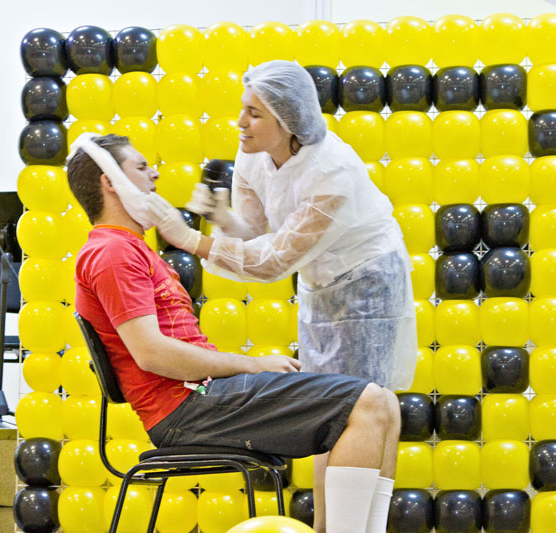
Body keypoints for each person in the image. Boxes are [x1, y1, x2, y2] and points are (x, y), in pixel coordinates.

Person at [67, 134, 401, 533]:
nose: (154, 173)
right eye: (141, 167)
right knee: (367, 403)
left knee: (386, 405)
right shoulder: (112, 252)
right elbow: (152, 354)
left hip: (201, 397)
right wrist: (254, 364)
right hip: (185, 409)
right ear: (110, 182)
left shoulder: (131, 248)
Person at [154, 60, 418, 532]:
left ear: (288, 120)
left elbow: (273, 261)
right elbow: (256, 232)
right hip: (319, 283)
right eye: (243, 108)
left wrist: (191, 240)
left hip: (367, 281)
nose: (240, 122)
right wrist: (220, 217)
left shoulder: (332, 172)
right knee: (335, 408)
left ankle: (347, 528)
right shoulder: (252, 157)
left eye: (254, 113)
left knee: (361, 406)